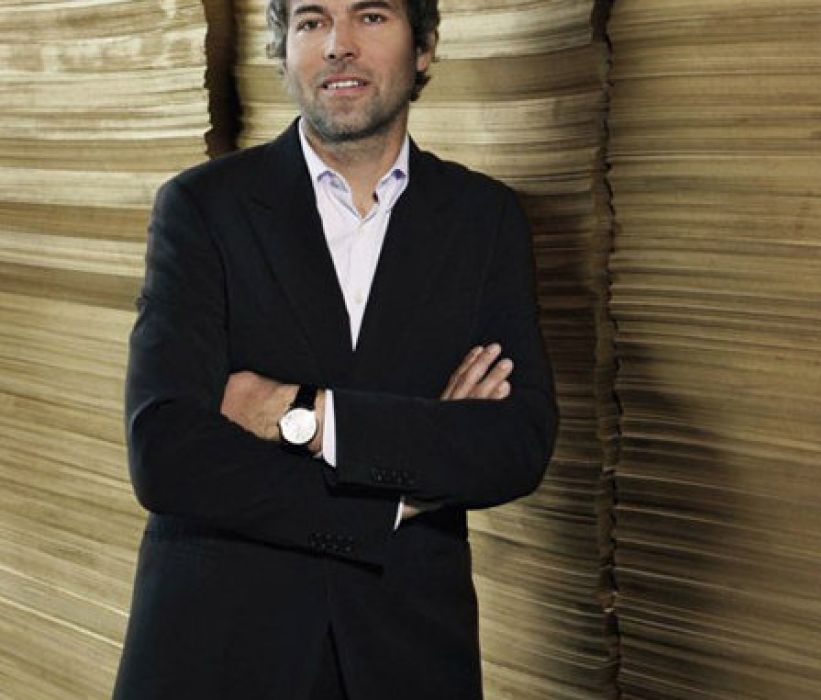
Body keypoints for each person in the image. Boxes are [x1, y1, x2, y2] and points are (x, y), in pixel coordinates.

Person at [112, 0, 557, 698]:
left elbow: (515, 444)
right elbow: (166, 453)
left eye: (370, 17)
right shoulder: (201, 208)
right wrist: (393, 495)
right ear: (286, 51)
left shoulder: (484, 219)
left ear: (424, 47)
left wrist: (307, 415)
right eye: (312, 21)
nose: (337, 45)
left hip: (408, 656)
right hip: (217, 653)